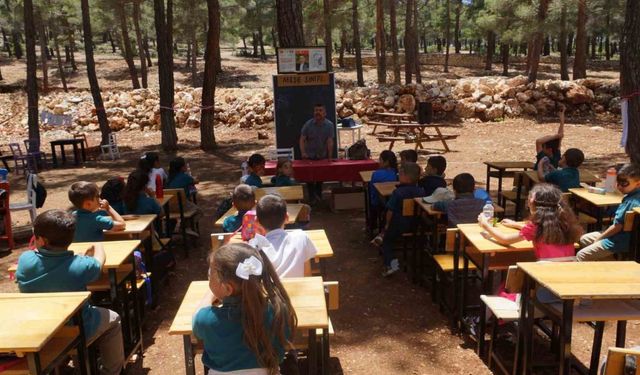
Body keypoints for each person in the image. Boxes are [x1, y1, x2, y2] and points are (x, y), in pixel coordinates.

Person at [16, 210, 125, 375]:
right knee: (114, 318)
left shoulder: (25, 261)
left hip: (39, 328)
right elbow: (98, 263)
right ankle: (111, 371)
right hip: (76, 328)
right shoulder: (82, 266)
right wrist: (98, 245)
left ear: (43, 240)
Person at [192, 242, 296, 374]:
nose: (208, 278)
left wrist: (210, 295)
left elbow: (196, 319)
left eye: (210, 275)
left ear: (228, 288)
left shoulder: (206, 319)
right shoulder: (279, 311)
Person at [478, 183, 582, 260]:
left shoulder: (536, 226)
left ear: (532, 202)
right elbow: (541, 231)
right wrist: (517, 225)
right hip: (567, 269)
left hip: (543, 272)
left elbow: (505, 239)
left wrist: (485, 224)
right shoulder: (564, 220)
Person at [577, 163, 640, 261]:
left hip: (619, 241)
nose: (619, 186)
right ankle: (612, 262)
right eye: (618, 182)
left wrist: (599, 239)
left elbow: (617, 227)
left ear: (638, 183)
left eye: (624, 183)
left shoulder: (631, 202)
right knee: (584, 239)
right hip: (630, 239)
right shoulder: (633, 196)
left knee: (581, 255)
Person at [249, 194, 318, 278]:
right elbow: (307, 275)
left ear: (256, 221)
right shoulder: (301, 236)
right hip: (298, 290)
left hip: (271, 291)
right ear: (287, 217)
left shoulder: (253, 248)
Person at [379, 162, 425, 277]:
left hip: (398, 224)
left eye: (399, 174)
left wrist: (387, 225)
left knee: (387, 242)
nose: (398, 175)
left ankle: (390, 265)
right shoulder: (421, 191)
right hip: (415, 224)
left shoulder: (398, 192)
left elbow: (390, 211)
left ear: (405, 176)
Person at [299, 104, 335, 201]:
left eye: (320, 110)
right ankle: (311, 196)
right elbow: (302, 139)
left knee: (320, 177)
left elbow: (330, 141)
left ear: (325, 113)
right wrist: (303, 153)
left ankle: (318, 195)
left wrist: (330, 157)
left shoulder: (329, 125)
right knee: (309, 178)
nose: (318, 112)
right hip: (309, 156)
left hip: (321, 156)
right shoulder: (308, 124)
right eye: (316, 110)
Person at [534, 106, 565, 173]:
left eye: (543, 147)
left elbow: (538, 141)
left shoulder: (543, 157)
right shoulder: (556, 154)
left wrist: (556, 136)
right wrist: (562, 120)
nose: (542, 148)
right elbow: (559, 138)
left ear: (549, 150)